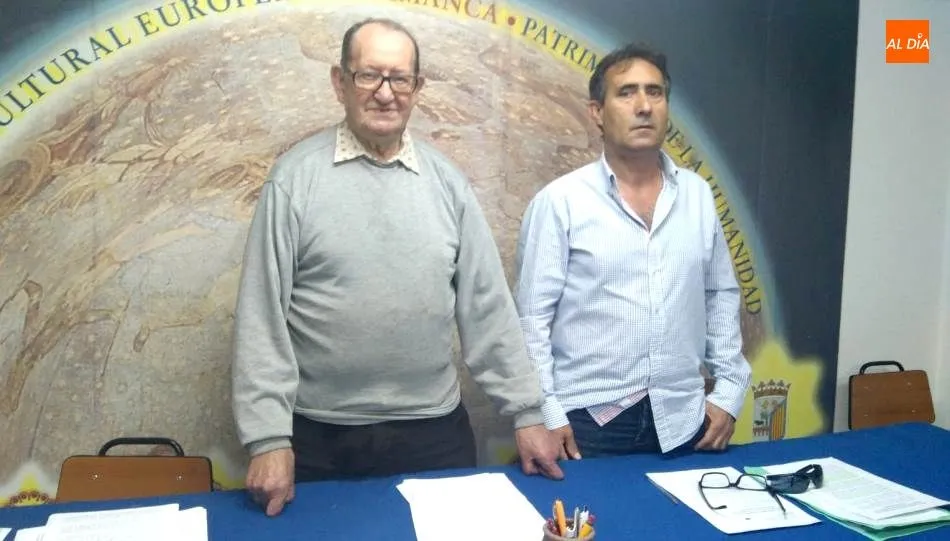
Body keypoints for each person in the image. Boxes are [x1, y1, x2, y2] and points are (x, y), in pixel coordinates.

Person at [231, 17, 562, 517]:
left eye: (399, 79)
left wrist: (527, 413)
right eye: (369, 75)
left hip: (434, 435)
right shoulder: (293, 181)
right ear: (339, 82)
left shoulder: (447, 184)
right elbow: (262, 317)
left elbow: (488, 309)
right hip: (320, 439)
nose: (385, 93)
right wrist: (267, 439)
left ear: (417, 88)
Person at [513, 43, 752, 461]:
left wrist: (729, 392)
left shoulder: (696, 195)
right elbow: (532, 320)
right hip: (588, 424)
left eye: (654, 92)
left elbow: (720, 295)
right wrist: (546, 412)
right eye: (626, 93)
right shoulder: (561, 202)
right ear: (597, 112)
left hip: (684, 417)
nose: (643, 106)